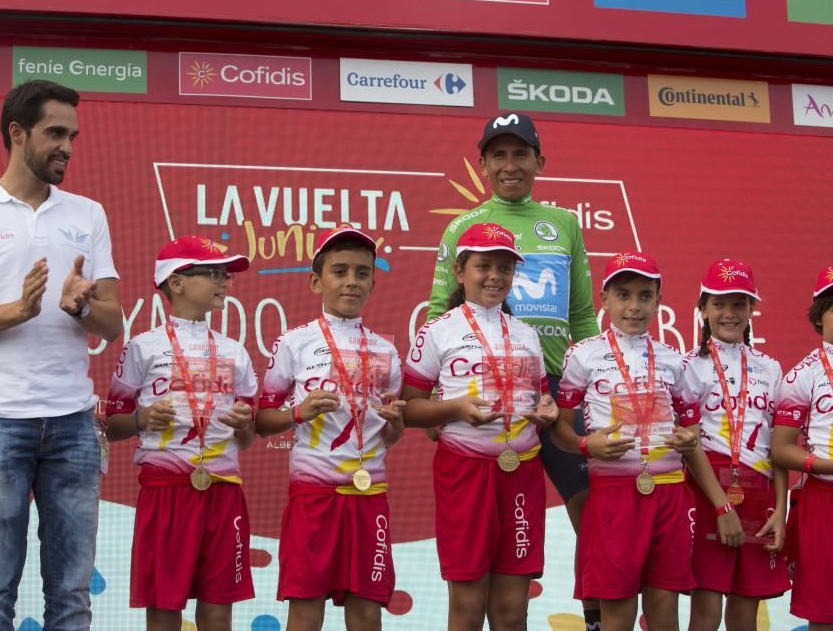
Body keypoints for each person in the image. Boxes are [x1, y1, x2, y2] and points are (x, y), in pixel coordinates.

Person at [0, 79, 123, 630]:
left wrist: (81, 307)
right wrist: (18, 310)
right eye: (55, 133)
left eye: (73, 136)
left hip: (74, 426)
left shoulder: (88, 213)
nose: (67, 147)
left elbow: (114, 320)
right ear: (17, 133)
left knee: (72, 595)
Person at [426, 112, 601, 626]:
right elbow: (439, 312)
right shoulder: (461, 227)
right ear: (482, 163)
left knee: (590, 507)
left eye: (520, 153)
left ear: (539, 161)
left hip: (555, 392)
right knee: (488, 531)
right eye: (498, 155)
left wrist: (597, 383)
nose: (510, 165)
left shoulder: (564, 223)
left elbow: (583, 315)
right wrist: (442, 396)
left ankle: (594, 616)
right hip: (482, 395)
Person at [550, 251, 741, 631]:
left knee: (664, 615)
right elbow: (560, 431)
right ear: (604, 299)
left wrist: (720, 504)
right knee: (617, 617)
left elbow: (692, 439)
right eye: (623, 295)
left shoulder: (674, 360)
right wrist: (588, 447)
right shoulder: (581, 355)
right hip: (612, 495)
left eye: (644, 296)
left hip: (670, 496)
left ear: (658, 299)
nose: (634, 307)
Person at [401, 223, 557, 631]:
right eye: (483, 266)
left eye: (504, 268)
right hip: (465, 473)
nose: (494, 276)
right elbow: (407, 409)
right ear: (459, 271)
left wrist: (547, 409)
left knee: (511, 614)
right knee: (467, 612)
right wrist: (455, 409)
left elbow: (544, 399)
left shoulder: (528, 334)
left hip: (522, 471)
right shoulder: (437, 331)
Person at [104, 236, 258, 631]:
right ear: (176, 283)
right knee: (164, 605)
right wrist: (142, 419)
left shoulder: (234, 352)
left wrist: (244, 427)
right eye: (213, 274)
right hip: (165, 491)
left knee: (218, 607)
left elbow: (248, 438)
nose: (225, 282)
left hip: (223, 490)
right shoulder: (143, 347)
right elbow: (112, 424)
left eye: (226, 275)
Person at [256, 225, 405, 631]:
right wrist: (298, 413)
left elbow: (390, 434)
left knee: (367, 611)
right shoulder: (293, 343)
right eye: (339, 271)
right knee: (305, 610)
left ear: (373, 282)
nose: (352, 282)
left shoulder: (386, 350)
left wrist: (395, 425)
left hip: (369, 494)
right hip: (314, 496)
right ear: (315, 282)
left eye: (362, 272)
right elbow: (261, 421)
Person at [673, 260, 788, 631]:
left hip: (759, 493)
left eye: (739, 303)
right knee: (705, 615)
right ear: (703, 308)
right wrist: (721, 506)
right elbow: (688, 444)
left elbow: (779, 446)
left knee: (745, 617)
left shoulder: (771, 368)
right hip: (707, 493)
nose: (729, 313)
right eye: (719, 303)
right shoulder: (686, 366)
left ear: (751, 310)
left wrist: (781, 508)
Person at [771, 265, 833, 630]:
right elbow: (781, 448)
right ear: (819, 317)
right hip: (823, 502)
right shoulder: (802, 374)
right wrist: (823, 465)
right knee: (824, 613)